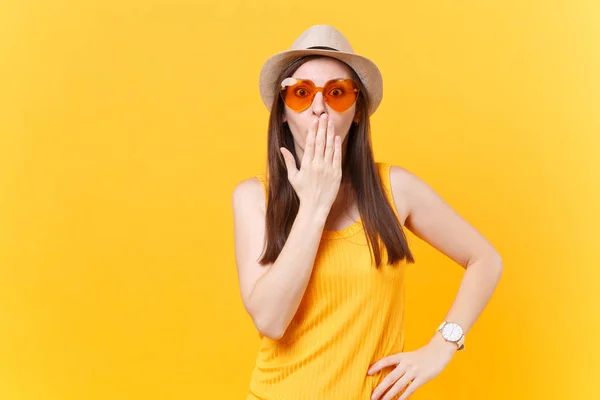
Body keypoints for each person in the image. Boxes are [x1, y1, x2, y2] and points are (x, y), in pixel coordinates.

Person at [232, 24, 503, 400]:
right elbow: (272, 320)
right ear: (283, 112)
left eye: (337, 93)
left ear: (357, 111)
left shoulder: (395, 189)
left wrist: (442, 347)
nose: (319, 107)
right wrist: (315, 202)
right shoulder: (253, 198)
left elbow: (485, 259)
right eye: (301, 93)